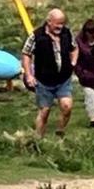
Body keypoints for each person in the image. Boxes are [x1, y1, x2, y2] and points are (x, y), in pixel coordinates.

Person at [22, 8, 78, 137]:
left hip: (63, 79)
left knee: (67, 107)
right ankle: (38, 138)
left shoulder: (67, 33)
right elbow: (26, 54)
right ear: (49, 22)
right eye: (57, 23)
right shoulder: (36, 36)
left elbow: (75, 48)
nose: (60, 26)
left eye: (62, 23)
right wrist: (29, 75)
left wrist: (73, 62)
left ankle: (60, 131)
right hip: (44, 81)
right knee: (45, 111)